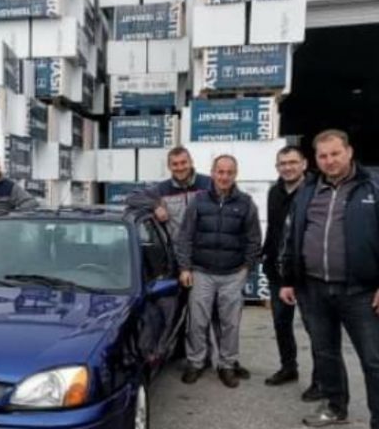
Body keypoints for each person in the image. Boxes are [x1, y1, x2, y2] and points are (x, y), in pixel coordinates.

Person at [279, 129, 379, 429]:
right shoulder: (307, 191)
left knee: (373, 359)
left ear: (349, 152)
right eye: (323, 156)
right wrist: (287, 279)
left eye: (335, 153)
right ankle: (335, 406)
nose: (330, 160)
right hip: (313, 288)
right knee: (325, 352)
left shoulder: (377, 188)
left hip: (362, 292)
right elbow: (290, 236)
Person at [176, 155, 262, 388]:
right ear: (212, 173)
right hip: (202, 272)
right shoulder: (198, 201)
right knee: (197, 322)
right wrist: (185, 267)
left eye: (229, 172)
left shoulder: (246, 203)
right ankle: (196, 362)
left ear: (235, 174)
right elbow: (185, 236)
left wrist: (247, 268)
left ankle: (227, 364)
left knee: (230, 323)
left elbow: (254, 240)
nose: (224, 177)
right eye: (220, 172)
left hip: (233, 274)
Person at [263, 146, 316, 391]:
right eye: (282, 163)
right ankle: (289, 367)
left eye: (293, 162)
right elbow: (275, 230)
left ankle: (321, 379)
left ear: (304, 164)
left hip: (307, 274)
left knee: (315, 328)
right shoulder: (274, 192)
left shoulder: (316, 191)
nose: (287, 167)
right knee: (281, 324)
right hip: (278, 272)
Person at [125, 146, 213, 239]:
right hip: (176, 251)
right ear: (169, 166)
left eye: (183, 163)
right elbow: (131, 198)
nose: (180, 168)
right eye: (175, 164)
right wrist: (155, 206)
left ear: (191, 162)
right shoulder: (162, 189)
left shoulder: (209, 184)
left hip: (204, 249)